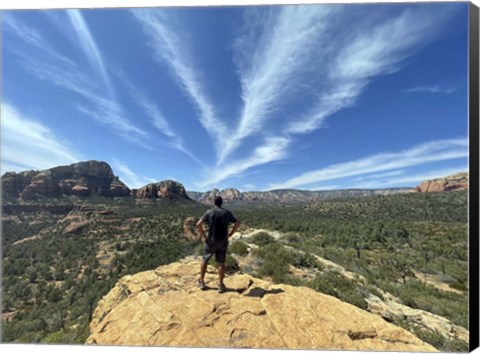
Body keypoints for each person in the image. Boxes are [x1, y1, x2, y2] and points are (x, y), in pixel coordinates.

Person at [196, 196, 240, 293]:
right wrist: (231, 234)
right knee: (221, 263)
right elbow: (237, 223)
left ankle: (202, 282)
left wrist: (204, 235)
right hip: (223, 241)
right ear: (222, 203)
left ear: (214, 203)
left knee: (205, 260)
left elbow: (198, 224)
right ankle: (220, 285)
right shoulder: (227, 213)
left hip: (211, 241)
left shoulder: (209, 212)